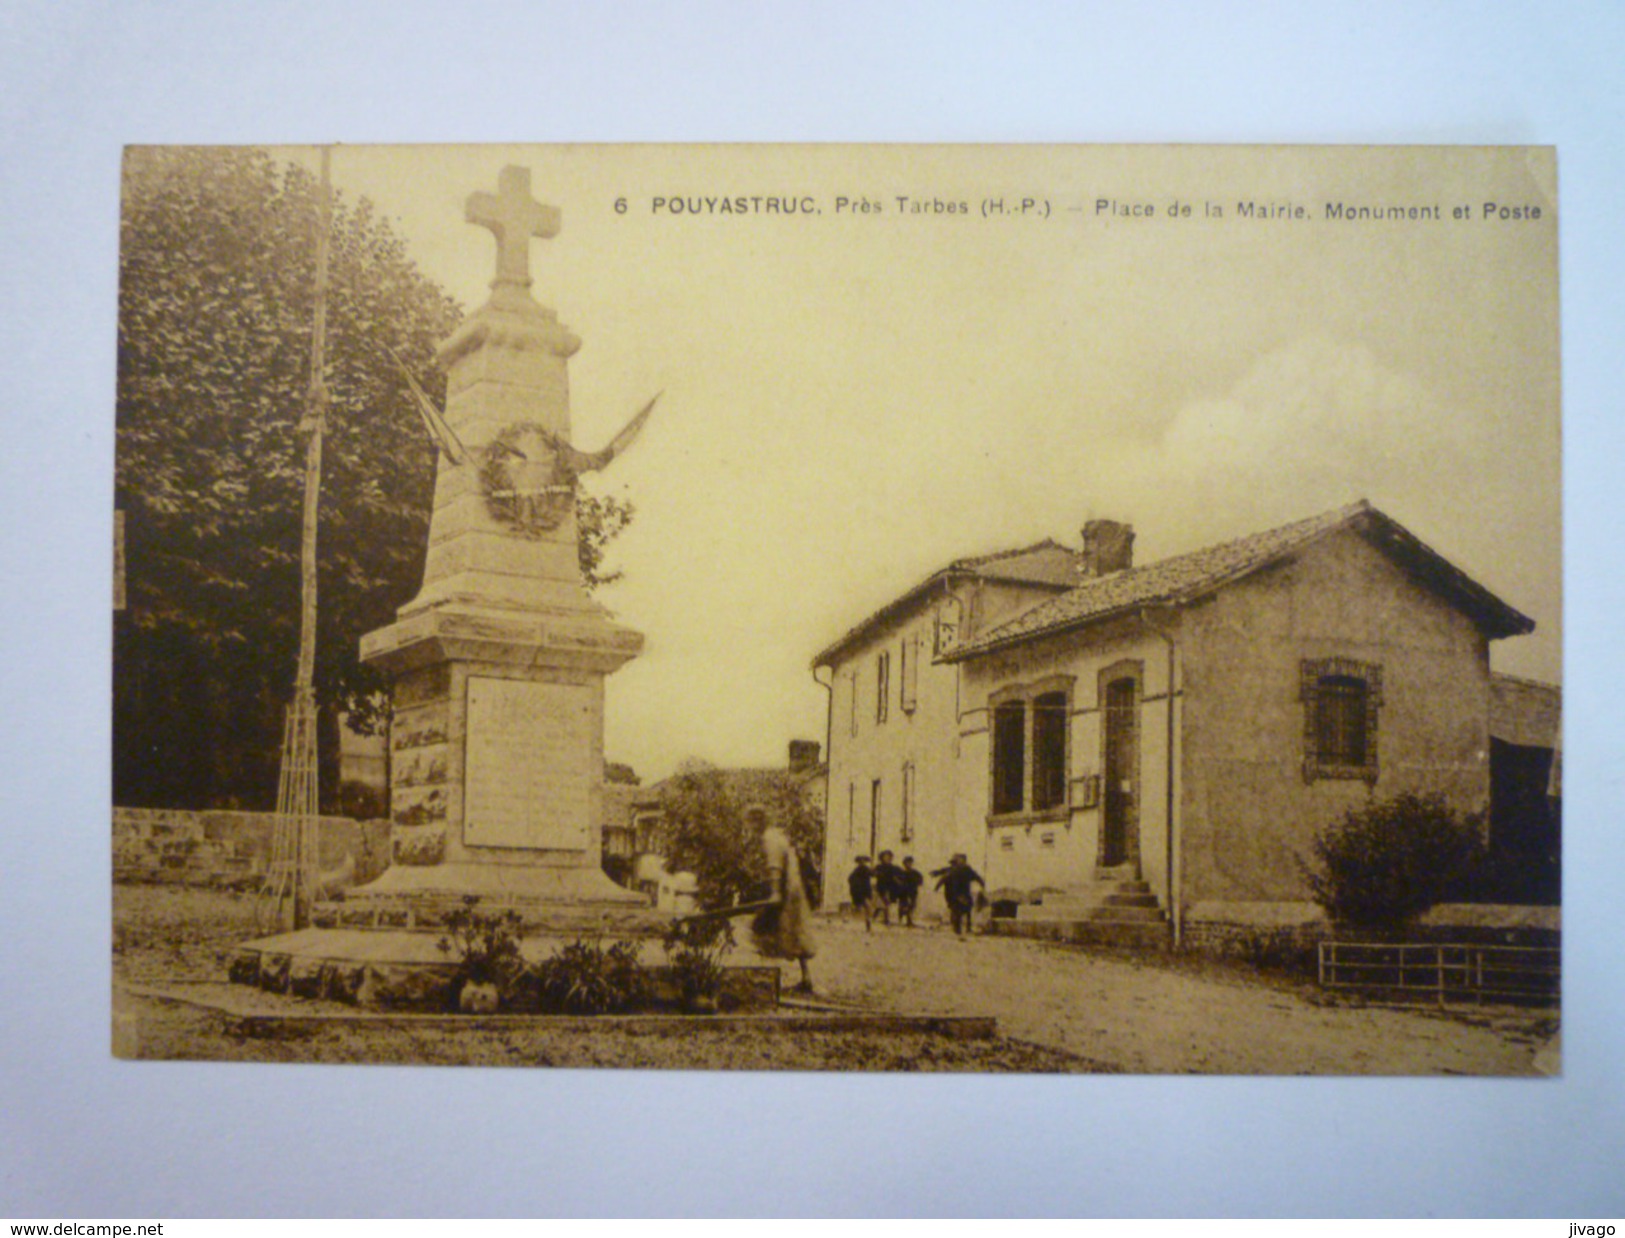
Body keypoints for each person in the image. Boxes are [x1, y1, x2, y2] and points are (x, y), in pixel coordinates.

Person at [746, 805, 816, 992]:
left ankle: (762, 978)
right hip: (793, 888)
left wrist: (775, 893)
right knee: (796, 933)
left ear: (758, 822)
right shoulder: (777, 835)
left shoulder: (770, 838)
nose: (750, 828)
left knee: (760, 931)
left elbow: (775, 867)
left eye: (752, 823)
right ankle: (806, 977)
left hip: (785, 891)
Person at [933, 852, 985, 937]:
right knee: (958, 910)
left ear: (964, 860)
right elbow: (944, 876)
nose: (959, 862)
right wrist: (937, 884)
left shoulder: (967, 869)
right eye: (958, 860)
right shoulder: (954, 869)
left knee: (966, 909)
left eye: (961, 860)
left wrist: (981, 883)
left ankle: (965, 927)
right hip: (955, 893)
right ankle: (958, 928)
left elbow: (975, 876)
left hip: (963, 892)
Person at [873, 849, 904, 927]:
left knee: (882, 904)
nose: (886, 858)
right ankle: (885, 920)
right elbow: (874, 873)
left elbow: (901, 874)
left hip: (890, 888)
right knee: (884, 903)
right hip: (881, 887)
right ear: (881, 858)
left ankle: (877, 918)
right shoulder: (879, 867)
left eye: (888, 857)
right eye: (885, 857)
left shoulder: (893, 867)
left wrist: (898, 880)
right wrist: (877, 874)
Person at [847, 855, 878, 931]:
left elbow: (850, 879)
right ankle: (868, 924)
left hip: (862, 890)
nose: (862, 862)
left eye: (864, 861)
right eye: (861, 861)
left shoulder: (857, 870)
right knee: (868, 907)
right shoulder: (862, 869)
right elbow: (873, 874)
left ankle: (868, 924)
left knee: (867, 907)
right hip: (863, 890)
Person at [896, 855, 925, 926]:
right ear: (904, 864)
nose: (909, 864)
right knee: (903, 905)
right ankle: (901, 919)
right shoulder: (901, 873)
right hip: (903, 891)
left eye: (910, 862)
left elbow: (920, 879)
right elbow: (897, 880)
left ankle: (909, 920)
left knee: (912, 905)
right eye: (907, 863)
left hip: (912, 891)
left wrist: (919, 883)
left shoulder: (915, 872)